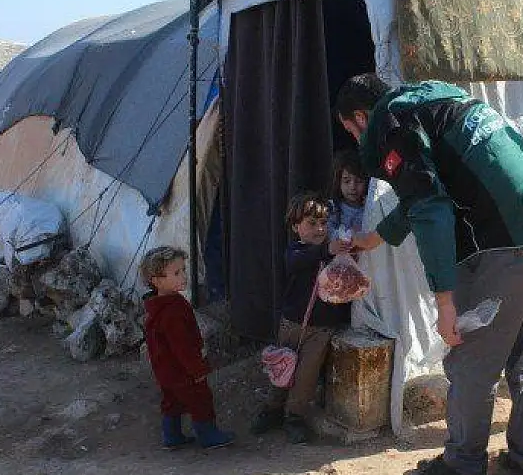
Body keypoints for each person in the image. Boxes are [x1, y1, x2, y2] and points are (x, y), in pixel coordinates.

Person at [335, 73, 523, 475]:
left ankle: (464, 459)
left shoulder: (392, 123)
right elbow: (423, 195)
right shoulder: (436, 99)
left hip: (504, 242)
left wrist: (445, 303)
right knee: (522, 346)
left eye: (352, 131)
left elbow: (431, 210)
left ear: (361, 116)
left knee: (470, 358)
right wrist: (371, 240)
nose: (359, 142)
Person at [251, 192, 353, 444]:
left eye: (323, 223)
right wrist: (325, 251)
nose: (319, 229)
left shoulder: (332, 253)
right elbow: (298, 262)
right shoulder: (296, 251)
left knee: (306, 375)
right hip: (293, 324)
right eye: (311, 223)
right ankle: (273, 409)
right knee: (281, 366)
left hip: (321, 328)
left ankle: (294, 416)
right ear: (296, 227)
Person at [140, 246, 234, 450]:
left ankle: (171, 436)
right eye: (176, 273)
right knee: (200, 399)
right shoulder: (173, 310)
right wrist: (197, 370)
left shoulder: (156, 307)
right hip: (183, 370)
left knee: (171, 400)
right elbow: (182, 346)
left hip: (164, 369)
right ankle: (208, 435)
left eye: (183, 269)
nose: (184, 276)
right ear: (157, 281)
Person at [328, 149, 369, 238]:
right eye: (346, 181)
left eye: (358, 181)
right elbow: (326, 234)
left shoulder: (370, 207)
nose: (353, 187)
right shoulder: (332, 207)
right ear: (338, 182)